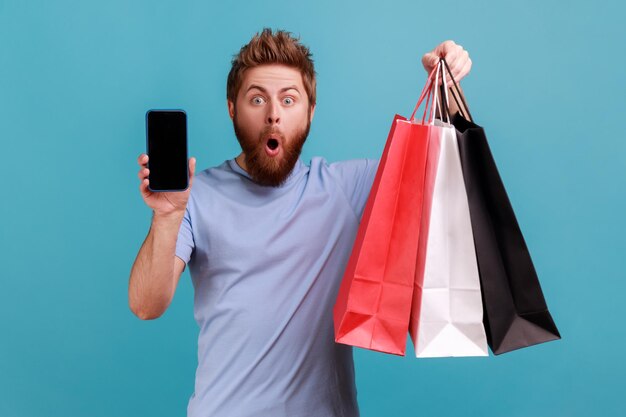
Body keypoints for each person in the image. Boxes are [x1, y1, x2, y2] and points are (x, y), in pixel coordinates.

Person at [129, 28, 472, 417]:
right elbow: (146, 305)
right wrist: (167, 215)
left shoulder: (348, 188)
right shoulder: (196, 196)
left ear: (310, 111)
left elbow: (446, 181)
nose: (273, 113)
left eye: (288, 100)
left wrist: (446, 89)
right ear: (231, 108)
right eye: (257, 98)